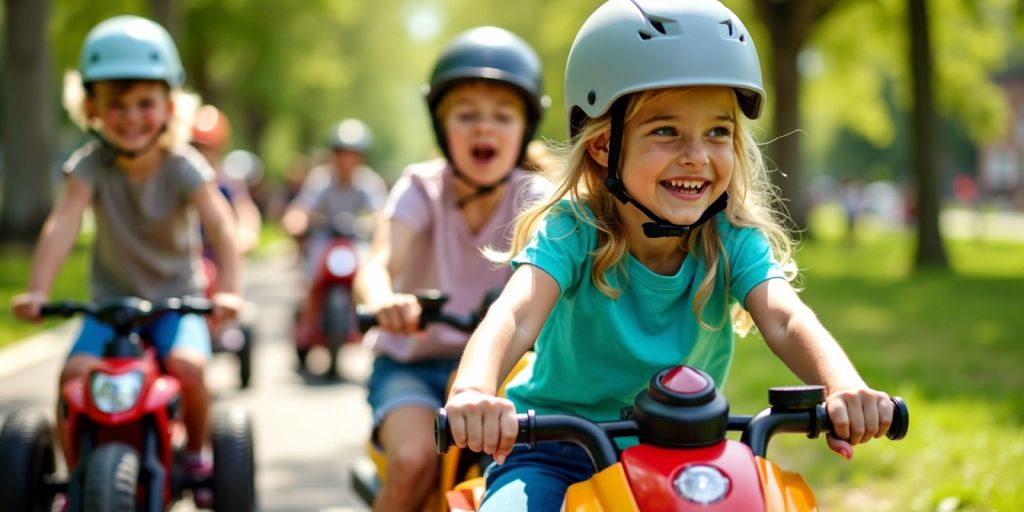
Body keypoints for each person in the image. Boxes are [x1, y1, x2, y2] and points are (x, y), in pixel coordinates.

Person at [441, 1, 897, 510]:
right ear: (601, 146)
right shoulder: (573, 230)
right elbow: (516, 313)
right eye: (665, 131)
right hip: (556, 450)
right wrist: (474, 390)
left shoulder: (730, 238)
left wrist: (842, 386)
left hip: (686, 453)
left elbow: (786, 318)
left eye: (718, 132)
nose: (696, 155)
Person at [9, 15, 241, 507]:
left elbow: (220, 226)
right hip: (107, 305)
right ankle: (79, 475)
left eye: (145, 103)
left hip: (177, 303)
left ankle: (196, 454)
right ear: (91, 107)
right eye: (116, 104)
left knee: (190, 367)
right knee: (73, 377)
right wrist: (38, 289)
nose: (131, 116)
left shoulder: (183, 165)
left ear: (169, 106)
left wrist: (228, 292)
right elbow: (64, 222)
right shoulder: (90, 166)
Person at [353, 26, 553, 512]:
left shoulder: (537, 197)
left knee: (532, 471)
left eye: (502, 116)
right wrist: (383, 301)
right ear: (443, 129)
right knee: (415, 461)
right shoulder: (422, 187)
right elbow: (378, 263)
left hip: (506, 370)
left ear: (523, 130)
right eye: (466, 116)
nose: (484, 128)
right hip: (414, 364)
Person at [284, 118, 389, 235]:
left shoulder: (370, 182)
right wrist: (296, 220)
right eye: (341, 153)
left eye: (353, 154)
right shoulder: (320, 178)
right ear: (333, 154)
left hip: (357, 244)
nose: (346, 161)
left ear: (362, 158)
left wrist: (372, 225)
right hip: (323, 240)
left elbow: (380, 215)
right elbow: (303, 206)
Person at [191, 104, 263, 254]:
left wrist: (247, 232)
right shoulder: (180, 177)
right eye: (195, 147)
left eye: (207, 148)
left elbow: (244, 207)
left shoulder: (228, 181)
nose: (201, 154)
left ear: (219, 148)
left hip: (217, 252)